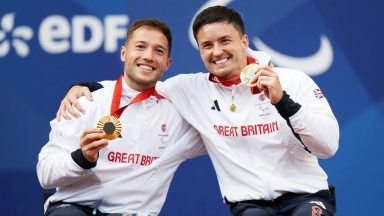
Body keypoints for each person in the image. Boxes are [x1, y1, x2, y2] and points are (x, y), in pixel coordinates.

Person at [58, 6, 339, 216]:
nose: (217, 52)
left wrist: (283, 101)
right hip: (250, 205)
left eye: (225, 41)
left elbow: (327, 146)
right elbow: (141, 83)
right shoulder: (190, 89)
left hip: (307, 197)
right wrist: (85, 86)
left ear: (244, 42)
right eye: (207, 45)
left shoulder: (292, 80)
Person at [37, 18, 206, 216]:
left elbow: (228, 128)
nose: (149, 56)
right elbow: (45, 174)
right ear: (124, 53)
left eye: (158, 51)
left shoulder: (179, 114)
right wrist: (82, 158)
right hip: (74, 207)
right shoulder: (85, 101)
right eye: (140, 47)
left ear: (168, 64)